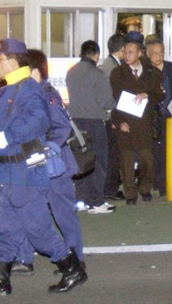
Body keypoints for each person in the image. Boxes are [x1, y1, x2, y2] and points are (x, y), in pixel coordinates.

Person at [0, 38, 85, 297]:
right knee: (7, 230)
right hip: (12, 170)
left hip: (25, 171)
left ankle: (72, 268)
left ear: (13, 61)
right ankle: (0, 280)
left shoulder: (28, 88)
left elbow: (39, 120)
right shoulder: (10, 88)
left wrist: (9, 137)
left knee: (38, 229)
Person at [24, 50, 85, 267]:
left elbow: (61, 127)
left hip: (54, 166)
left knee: (63, 214)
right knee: (30, 210)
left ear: (34, 72)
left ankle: (75, 259)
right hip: (38, 163)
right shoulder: (32, 94)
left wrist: (44, 149)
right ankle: (24, 258)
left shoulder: (47, 95)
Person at [109, 31, 164, 205]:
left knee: (146, 158)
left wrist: (147, 94)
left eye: (131, 52)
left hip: (145, 122)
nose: (127, 55)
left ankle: (145, 188)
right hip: (125, 121)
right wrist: (119, 122)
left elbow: (160, 95)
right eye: (125, 52)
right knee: (126, 160)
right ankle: (130, 193)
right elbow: (114, 100)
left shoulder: (152, 72)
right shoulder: (117, 73)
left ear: (140, 53)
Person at [65, 41, 116, 214]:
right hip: (94, 122)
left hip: (75, 124)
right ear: (96, 55)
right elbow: (106, 102)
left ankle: (81, 200)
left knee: (80, 162)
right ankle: (96, 202)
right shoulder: (98, 74)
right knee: (98, 162)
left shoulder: (71, 72)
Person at [145, 39, 172, 198]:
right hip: (151, 118)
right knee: (154, 152)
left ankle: (167, 184)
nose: (158, 56)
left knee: (170, 151)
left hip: (171, 115)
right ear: (147, 54)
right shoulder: (144, 71)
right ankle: (156, 181)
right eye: (154, 53)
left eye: (161, 52)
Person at [99, 32, 127, 201]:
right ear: (122, 50)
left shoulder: (106, 65)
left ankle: (109, 186)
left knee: (111, 153)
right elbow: (114, 96)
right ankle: (110, 188)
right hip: (111, 117)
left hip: (108, 115)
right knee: (113, 154)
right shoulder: (113, 68)